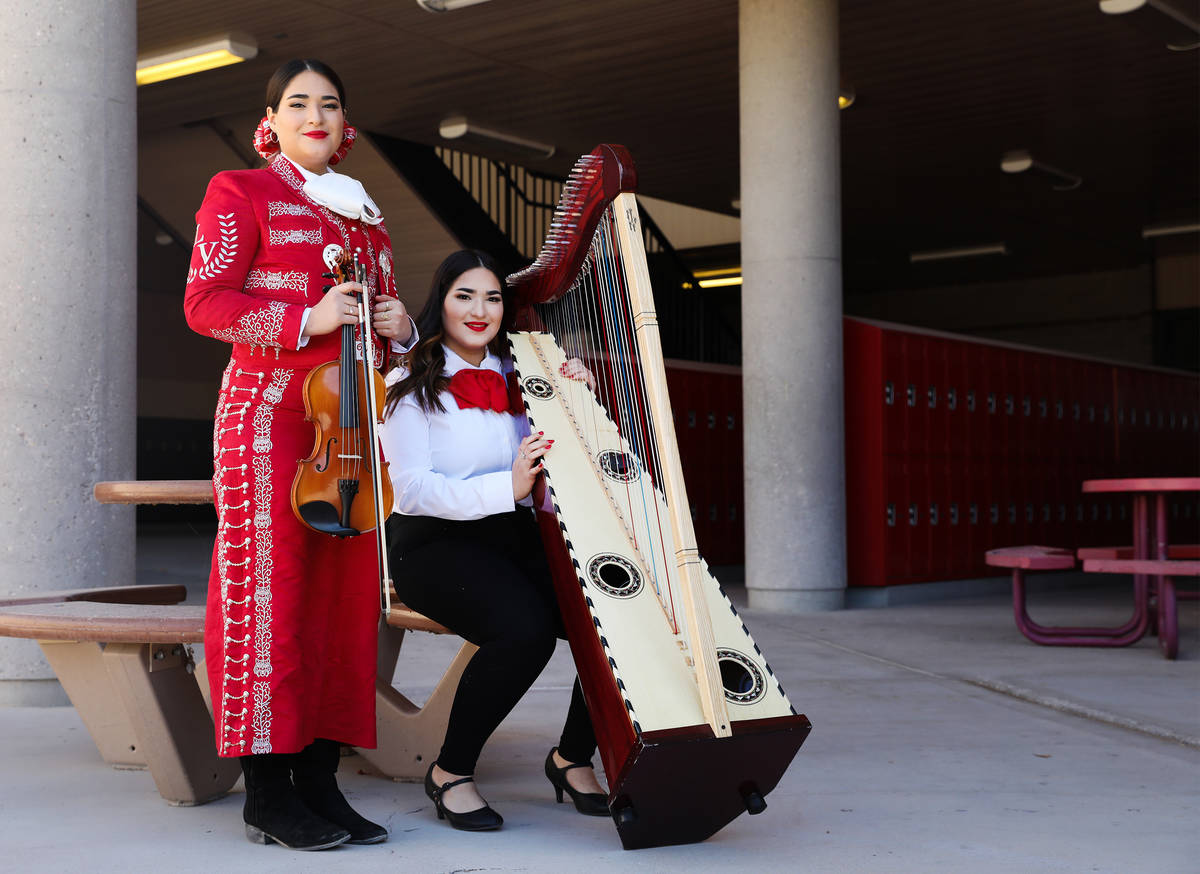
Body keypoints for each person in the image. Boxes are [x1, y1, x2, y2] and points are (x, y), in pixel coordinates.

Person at [184, 58, 416, 851]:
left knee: (344, 607)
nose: (315, 114)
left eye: (330, 104)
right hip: (266, 420)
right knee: (269, 597)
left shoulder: (367, 218)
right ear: (271, 119)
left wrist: (399, 330)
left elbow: (387, 340)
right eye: (298, 102)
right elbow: (205, 303)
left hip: (350, 431)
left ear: (345, 125)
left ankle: (320, 782)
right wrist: (306, 316)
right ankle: (266, 792)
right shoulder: (239, 190)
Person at [378, 249, 609, 831]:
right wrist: (503, 487)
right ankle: (451, 772)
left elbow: (572, 461)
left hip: (508, 534)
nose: (480, 310)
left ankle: (571, 758)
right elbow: (413, 490)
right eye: (465, 296)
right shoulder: (410, 379)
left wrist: (577, 397)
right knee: (523, 632)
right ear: (442, 303)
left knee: (606, 621)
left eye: (493, 298)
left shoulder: (525, 374)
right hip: (431, 543)